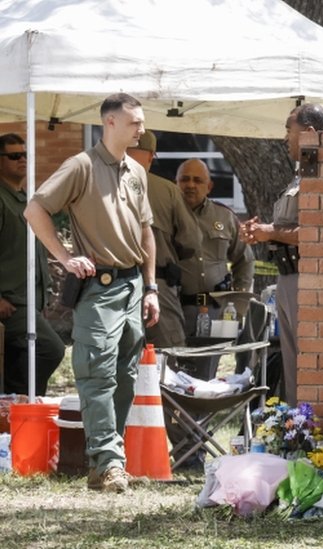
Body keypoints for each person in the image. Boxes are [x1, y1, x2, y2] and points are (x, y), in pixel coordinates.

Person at [24, 93, 159, 493]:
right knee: (96, 373)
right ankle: (109, 461)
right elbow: (35, 210)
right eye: (135, 122)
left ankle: (105, 462)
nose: (142, 129)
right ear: (111, 123)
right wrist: (65, 257)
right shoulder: (80, 166)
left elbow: (146, 231)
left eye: (141, 122)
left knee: (124, 376)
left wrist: (150, 287)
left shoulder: (136, 170)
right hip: (98, 287)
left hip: (133, 285)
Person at [242, 103, 323, 406]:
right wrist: (262, 231)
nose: (285, 139)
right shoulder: (300, 175)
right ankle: (297, 431)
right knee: (292, 367)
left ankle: (309, 432)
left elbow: (316, 233)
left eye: (288, 131)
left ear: (308, 133)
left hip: (306, 279)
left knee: (306, 365)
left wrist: (271, 232)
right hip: (287, 277)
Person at [0, 133, 66, 396]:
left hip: (30, 302)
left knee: (23, 360)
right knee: (51, 349)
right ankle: (19, 404)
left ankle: (18, 414)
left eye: (25, 155)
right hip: (10, 304)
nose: (22, 160)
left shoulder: (24, 199)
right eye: (14, 156)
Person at [176, 158, 254, 376]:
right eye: (185, 179)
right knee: (172, 373)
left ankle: (199, 411)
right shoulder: (165, 215)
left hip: (214, 310)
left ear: (208, 186)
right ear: (176, 183)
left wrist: (238, 305)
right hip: (174, 309)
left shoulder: (224, 216)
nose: (190, 185)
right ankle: (173, 411)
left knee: (205, 374)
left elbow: (245, 260)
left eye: (198, 180)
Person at [126, 131, 201, 349]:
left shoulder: (101, 182)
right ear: (151, 156)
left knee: (119, 355)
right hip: (156, 284)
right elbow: (191, 241)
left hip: (109, 285)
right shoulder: (166, 189)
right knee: (168, 352)